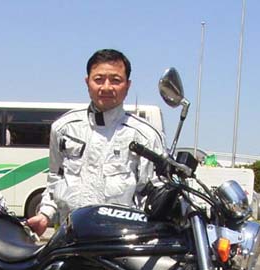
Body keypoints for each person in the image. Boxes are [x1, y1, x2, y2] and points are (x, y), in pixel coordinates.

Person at [26, 48, 165, 235]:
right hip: (70, 237)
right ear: (87, 82)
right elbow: (55, 179)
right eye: (99, 79)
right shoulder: (64, 128)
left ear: (128, 85)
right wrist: (45, 214)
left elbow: (153, 194)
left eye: (115, 80)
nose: (106, 87)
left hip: (119, 241)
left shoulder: (145, 136)